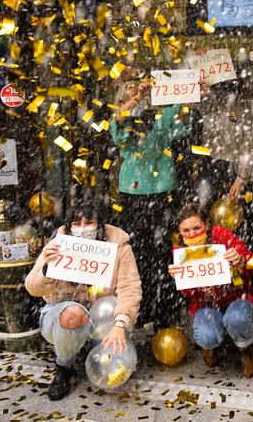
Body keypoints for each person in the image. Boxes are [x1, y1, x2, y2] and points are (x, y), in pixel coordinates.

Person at [25, 196, 142, 400]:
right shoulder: (57, 243)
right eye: (76, 223)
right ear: (69, 226)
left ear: (100, 224)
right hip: (60, 317)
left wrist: (120, 324)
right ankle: (64, 366)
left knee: (122, 365)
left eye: (89, 222)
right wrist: (46, 268)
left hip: (102, 317)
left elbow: (129, 286)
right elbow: (32, 287)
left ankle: (88, 346)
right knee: (74, 312)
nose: (83, 227)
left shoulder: (118, 244)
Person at [110, 77, 192, 327]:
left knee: (165, 252)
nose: (138, 96)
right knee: (138, 255)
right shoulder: (120, 119)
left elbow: (179, 120)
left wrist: (189, 91)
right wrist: (135, 99)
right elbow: (118, 131)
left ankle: (167, 308)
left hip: (161, 190)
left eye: (142, 93)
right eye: (131, 94)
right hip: (133, 194)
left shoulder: (161, 117)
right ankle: (141, 307)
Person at [168, 203, 253, 377]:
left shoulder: (222, 235)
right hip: (207, 304)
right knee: (206, 336)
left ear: (207, 225)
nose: (192, 234)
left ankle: (246, 350)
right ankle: (210, 346)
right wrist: (179, 280)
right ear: (179, 232)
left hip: (236, 297)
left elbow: (251, 260)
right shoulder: (180, 250)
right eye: (185, 231)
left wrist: (241, 261)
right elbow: (187, 294)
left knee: (236, 319)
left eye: (197, 228)